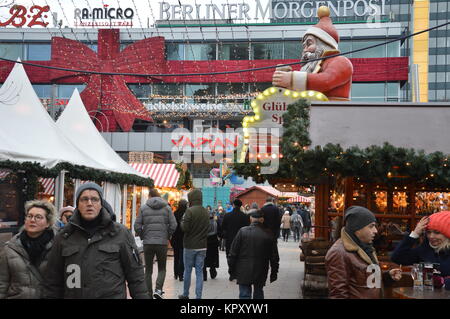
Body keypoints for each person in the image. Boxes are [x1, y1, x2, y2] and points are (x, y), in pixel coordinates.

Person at [42, 182, 148, 299]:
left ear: (101, 204)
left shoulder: (120, 233)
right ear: (78, 204)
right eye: (84, 199)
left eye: (94, 199)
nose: (89, 203)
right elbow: (52, 280)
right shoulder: (64, 236)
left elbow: (136, 276)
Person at [272, 6, 353, 101]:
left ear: (323, 44)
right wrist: (284, 83)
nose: (305, 50)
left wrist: (292, 78)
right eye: (304, 46)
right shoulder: (312, 67)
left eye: (309, 44)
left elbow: (326, 81)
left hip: (334, 112)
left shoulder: (341, 62)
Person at [325, 206, 402, 299]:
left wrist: (388, 277)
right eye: (371, 226)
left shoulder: (366, 247)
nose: (375, 231)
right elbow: (338, 295)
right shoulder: (338, 253)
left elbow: (366, 282)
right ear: (357, 229)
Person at [0, 200, 57, 299]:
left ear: (48, 223)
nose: (32, 220)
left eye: (38, 217)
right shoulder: (10, 248)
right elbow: (2, 283)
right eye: (29, 216)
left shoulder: (58, 246)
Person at [134, 188, 177, 299]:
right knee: (162, 268)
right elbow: (174, 225)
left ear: (149, 196)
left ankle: (148, 294)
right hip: (162, 243)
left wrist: (143, 236)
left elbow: (137, 226)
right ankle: (158, 289)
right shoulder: (167, 208)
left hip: (148, 243)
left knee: (148, 270)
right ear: (159, 196)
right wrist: (167, 235)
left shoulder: (143, 208)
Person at [227, 210, 279, 299]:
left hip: (243, 269)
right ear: (262, 220)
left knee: (244, 294)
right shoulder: (268, 234)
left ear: (251, 219)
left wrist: (231, 269)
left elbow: (233, 253)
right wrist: (274, 272)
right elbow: (274, 256)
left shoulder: (242, 231)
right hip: (261, 269)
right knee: (258, 292)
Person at [391, 211, 450, 277]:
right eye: (428, 232)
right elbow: (397, 258)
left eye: (437, 233)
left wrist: (442, 282)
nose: (431, 236)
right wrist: (415, 234)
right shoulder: (425, 249)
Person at [178, 189, 210, 300]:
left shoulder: (189, 211)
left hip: (190, 246)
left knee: (187, 270)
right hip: (202, 246)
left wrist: (182, 221)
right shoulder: (206, 211)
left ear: (191, 198)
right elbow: (209, 228)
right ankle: (198, 296)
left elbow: (184, 228)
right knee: (199, 272)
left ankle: (186, 294)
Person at [171, 199, 188, 282]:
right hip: (184, 238)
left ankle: (176, 273)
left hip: (175, 238)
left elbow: (172, 226)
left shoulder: (174, 213)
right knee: (183, 257)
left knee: (176, 256)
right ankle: (181, 274)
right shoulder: (187, 214)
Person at [203, 210, 220, 281]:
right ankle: (213, 272)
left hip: (205, 242)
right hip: (213, 242)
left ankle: (204, 274)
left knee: (204, 258)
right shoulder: (215, 222)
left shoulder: (203, 223)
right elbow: (218, 232)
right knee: (213, 257)